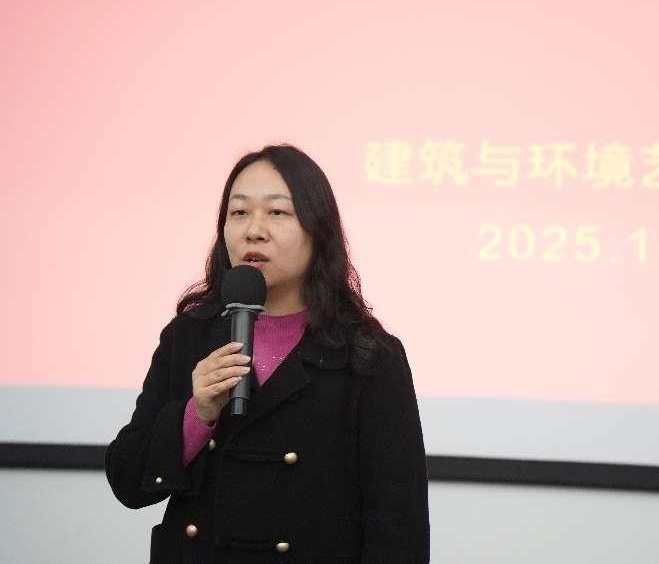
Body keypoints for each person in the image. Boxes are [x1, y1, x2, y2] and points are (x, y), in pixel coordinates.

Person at [105, 144, 430, 563]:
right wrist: (197, 414)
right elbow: (127, 480)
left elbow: (398, 529)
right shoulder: (189, 336)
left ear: (318, 230)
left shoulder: (368, 355)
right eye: (239, 212)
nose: (253, 231)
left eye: (277, 212)